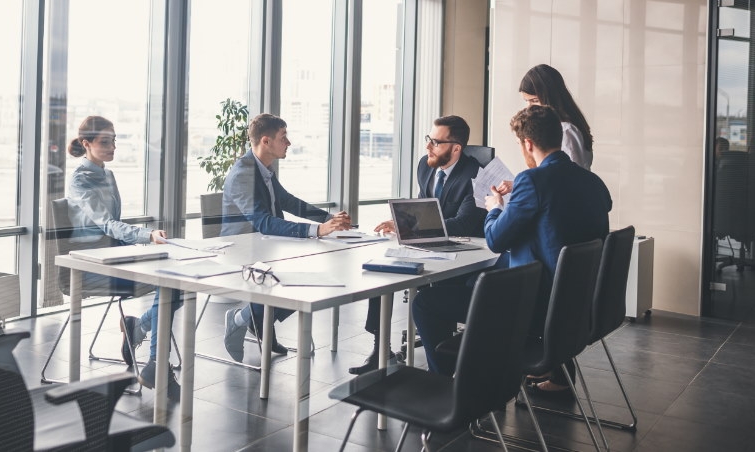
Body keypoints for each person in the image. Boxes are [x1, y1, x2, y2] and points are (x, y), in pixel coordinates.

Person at [411, 105, 611, 394]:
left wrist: (494, 209)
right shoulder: (593, 182)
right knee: (468, 281)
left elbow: (495, 239)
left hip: (531, 306)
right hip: (576, 305)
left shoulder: (532, 181)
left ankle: (447, 390)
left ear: (528, 144)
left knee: (426, 303)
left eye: (520, 145)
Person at [345, 115, 486, 375]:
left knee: (432, 299)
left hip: (462, 253)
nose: (428, 147)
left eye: (436, 142)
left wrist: (411, 227)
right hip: (426, 244)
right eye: (428, 139)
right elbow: (424, 207)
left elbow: (464, 223)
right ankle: (381, 351)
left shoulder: (477, 175)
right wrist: (403, 222)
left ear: (456, 148)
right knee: (382, 271)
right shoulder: (426, 166)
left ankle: (443, 370)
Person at [220, 113, 351, 361]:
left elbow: (288, 201)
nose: (288, 143)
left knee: (308, 279)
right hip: (241, 252)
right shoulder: (243, 174)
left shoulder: (264, 169)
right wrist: (316, 231)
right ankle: (242, 319)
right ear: (266, 141)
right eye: (284, 137)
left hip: (265, 248)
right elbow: (263, 222)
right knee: (297, 280)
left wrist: (328, 219)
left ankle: (255, 319)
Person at [66, 115, 180, 396]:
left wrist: (143, 241)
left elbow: (113, 227)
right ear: (86, 143)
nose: (113, 147)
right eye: (105, 142)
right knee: (168, 286)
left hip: (115, 255)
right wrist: (147, 236)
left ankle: (139, 329)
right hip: (92, 264)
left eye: (114, 140)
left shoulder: (108, 174)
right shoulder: (80, 180)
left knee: (175, 281)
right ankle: (154, 361)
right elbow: (106, 224)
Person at [518, 64, 594, 170]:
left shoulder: (566, 130)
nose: (529, 108)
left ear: (551, 98)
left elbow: (571, 179)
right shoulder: (556, 127)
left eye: (535, 101)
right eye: (527, 101)